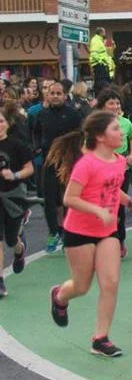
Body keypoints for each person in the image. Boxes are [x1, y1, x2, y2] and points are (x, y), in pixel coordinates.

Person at [47, 110, 132, 357]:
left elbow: (113, 189)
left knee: (110, 283)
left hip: (107, 232)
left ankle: (100, 338)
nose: (121, 132)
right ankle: (60, 296)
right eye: (115, 128)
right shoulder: (86, 164)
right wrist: (97, 210)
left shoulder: (118, 161)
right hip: (79, 231)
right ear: (101, 136)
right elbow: (70, 198)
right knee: (82, 286)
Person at [36, 80, 82, 253]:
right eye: (52, 93)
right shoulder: (41, 114)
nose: (55, 96)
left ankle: (69, 233)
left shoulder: (73, 115)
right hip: (49, 161)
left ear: (65, 95)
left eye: (58, 93)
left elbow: (81, 135)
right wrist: (37, 147)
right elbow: (35, 133)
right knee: (49, 198)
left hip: (69, 161)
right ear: (47, 95)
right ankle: (54, 232)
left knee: (68, 198)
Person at [95, 87, 132, 259]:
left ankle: (119, 240)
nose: (115, 106)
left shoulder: (125, 123)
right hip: (101, 170)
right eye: (111, 103)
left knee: (118, 205)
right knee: (103, 205)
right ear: (102, 106)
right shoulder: (96, 124)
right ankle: (102, 239)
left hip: (122, 169)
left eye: (117, 103)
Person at [0, 110, 35, 297]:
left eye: (0, 121)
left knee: (11, 239)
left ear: (7, 123)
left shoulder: (16, 145)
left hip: (13, 194)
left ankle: (19, 250)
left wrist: (13, 175)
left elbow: (29, 168)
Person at [88, 28, 115, 93]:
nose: (105, 34)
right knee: (101, 82)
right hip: (100, 65)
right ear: (101, 33)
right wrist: (101, 61)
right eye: (104, 32)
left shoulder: (100, 40)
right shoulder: (96, 40)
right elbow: (94, 53)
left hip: (102, 65)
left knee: (103, 81)